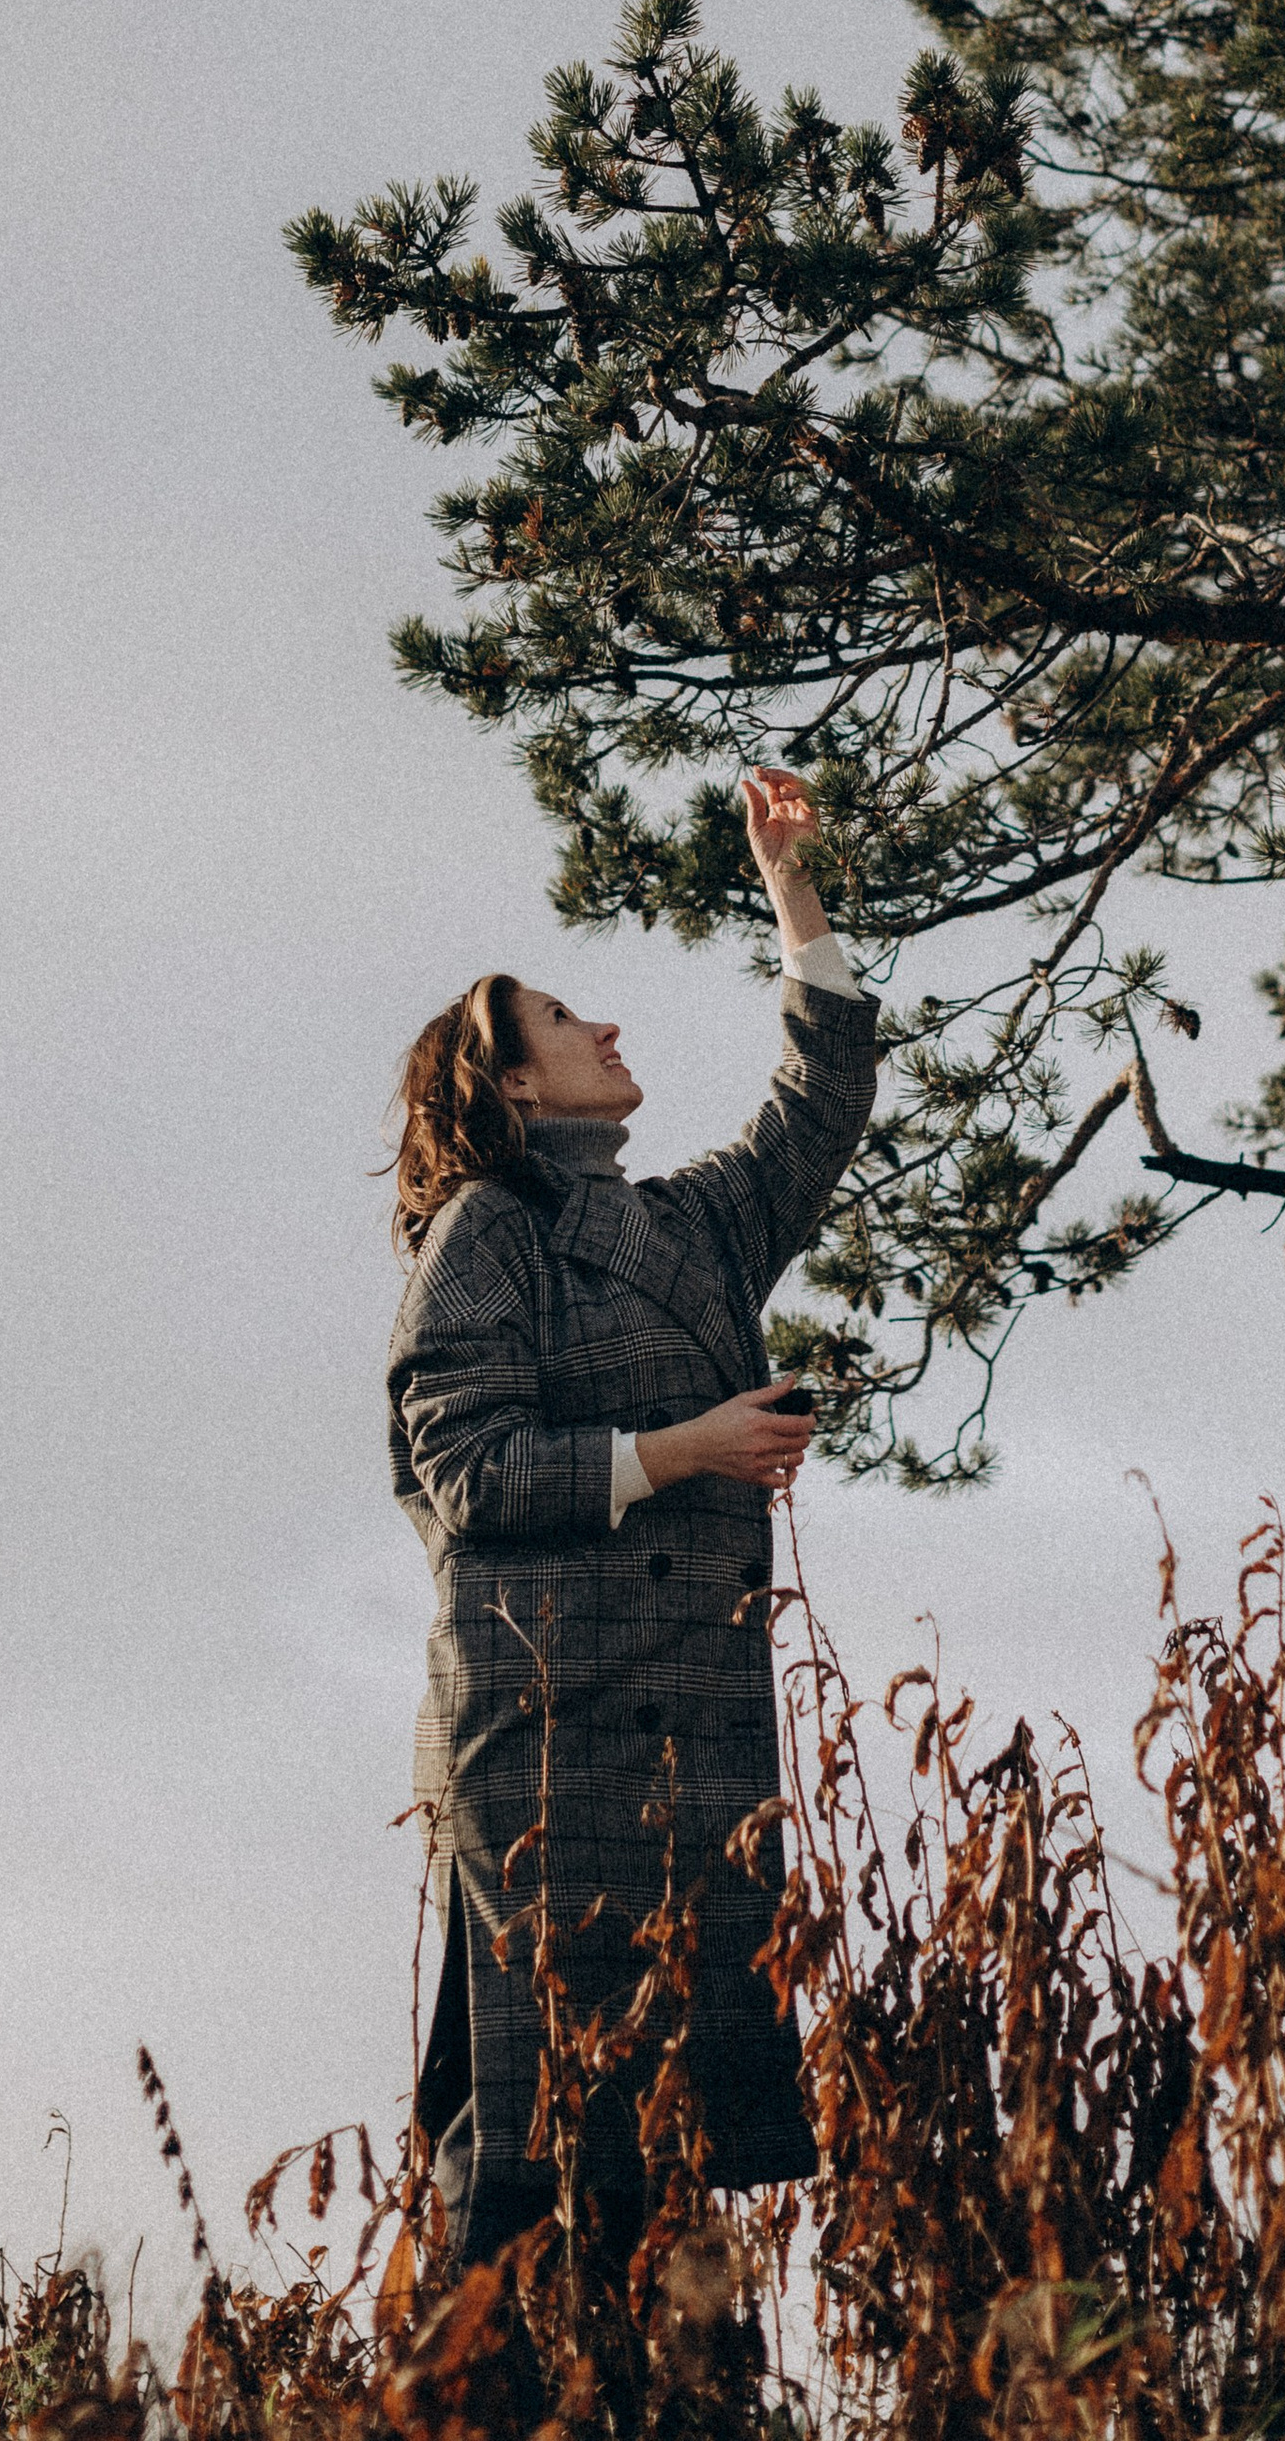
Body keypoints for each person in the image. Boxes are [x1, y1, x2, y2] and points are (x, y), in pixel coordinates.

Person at [385, 767, 880, 2268]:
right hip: (546, 1753)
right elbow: (468, 1471)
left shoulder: (686, 1224)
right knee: (529, 2163)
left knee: (662, 2167)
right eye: (562, 1020)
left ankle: (645, 2379)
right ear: (515, 1088)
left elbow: (820, 1109)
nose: (605, 1026)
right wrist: (688, 1449)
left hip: (688, 1754)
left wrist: (792, 889)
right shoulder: (486, 1230)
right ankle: (471, 2384)